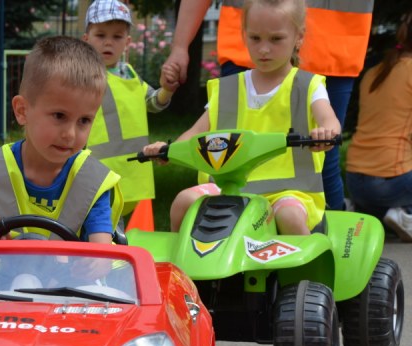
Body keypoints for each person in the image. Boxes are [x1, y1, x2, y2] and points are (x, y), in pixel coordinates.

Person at [143, 0, 340, 235]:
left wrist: (327, 132)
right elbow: (196, 132)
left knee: (289, 216)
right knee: (183, 202)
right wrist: (168, 150)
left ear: (299, 37)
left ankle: (306, 259)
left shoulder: (308, 86)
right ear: (244, 34)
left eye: (276, 39)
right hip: (226, 187)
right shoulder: (228, 89)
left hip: (288, 192)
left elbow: (329, 120)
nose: (264, 49)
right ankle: (181, 258)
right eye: (255, 38)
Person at [0, 35, 123, 245]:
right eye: (59, 116)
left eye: (84, 120)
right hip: (5, 268)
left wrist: (90, 261)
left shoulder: (93, 183)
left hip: (73, 269)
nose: (70, 134)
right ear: (22, 111)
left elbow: (102, 252)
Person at [82, 0, 179, 222]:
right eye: (100, 35)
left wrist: (167, 90)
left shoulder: (129, 73)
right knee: (101, 223)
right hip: (99, 170)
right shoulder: (83, 77)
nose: (108, 42)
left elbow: (153, 102)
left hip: (135, 170)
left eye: (117, 37)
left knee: (127, 228)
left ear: (127, 42)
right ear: (86, 39)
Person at [345, 11, 412, 241]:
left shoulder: (375, 72)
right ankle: (405, 213)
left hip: (355, 181)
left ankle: (366, 211)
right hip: (390, 182)